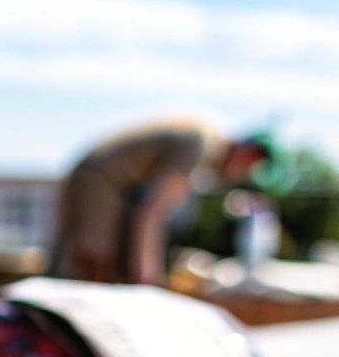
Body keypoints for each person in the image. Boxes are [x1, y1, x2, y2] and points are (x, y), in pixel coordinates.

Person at [52, 119, 282, 285]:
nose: (244, 176)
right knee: (93, 266)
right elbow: (151, 213)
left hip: (110, 185)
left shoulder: (203, 143)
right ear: (250, 153)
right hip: (100, 180)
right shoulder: (199, 145)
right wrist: (148, 281)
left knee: (105, 269)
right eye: (250, 168)